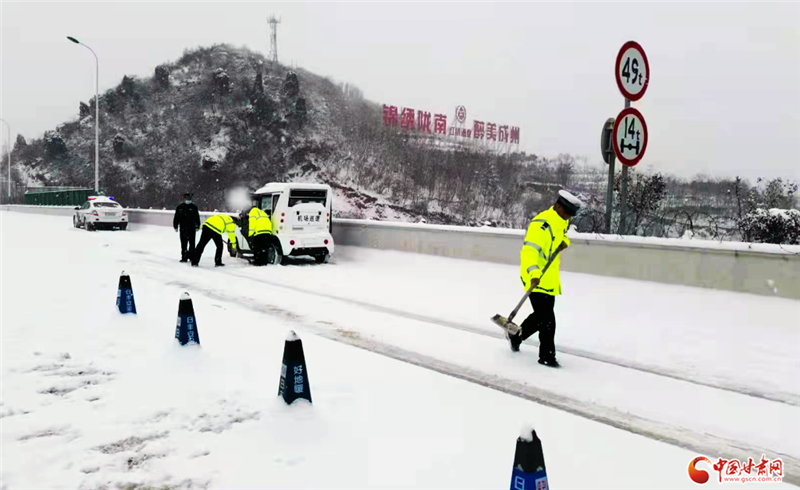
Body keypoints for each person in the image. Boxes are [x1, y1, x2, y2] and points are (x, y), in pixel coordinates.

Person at [507, 190, 582, 367]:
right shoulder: (541, 225)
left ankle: (516, 336)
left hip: (548, 278)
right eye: (568, 213)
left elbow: (561, 237)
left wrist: (564, 242)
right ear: (559, 207)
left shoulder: (561, 221)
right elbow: (528, 253)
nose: (569, 217)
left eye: (571, 214)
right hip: (534, 276)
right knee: (548, 320)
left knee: (541, 317)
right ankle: (547, 357)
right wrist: (534, 274)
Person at [173, 193, 200, 263]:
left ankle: (191, 256)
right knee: (184, 243)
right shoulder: (180, 207)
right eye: (187, 198)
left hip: (192, 228)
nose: (188, 200)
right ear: (184, 199)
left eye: (189, 199)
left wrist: (197, 225)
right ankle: (184, 257)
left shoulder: (194, 207)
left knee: (192, 243)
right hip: (183, 228)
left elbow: (197, 217)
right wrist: (175, 226)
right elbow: (176, 217)